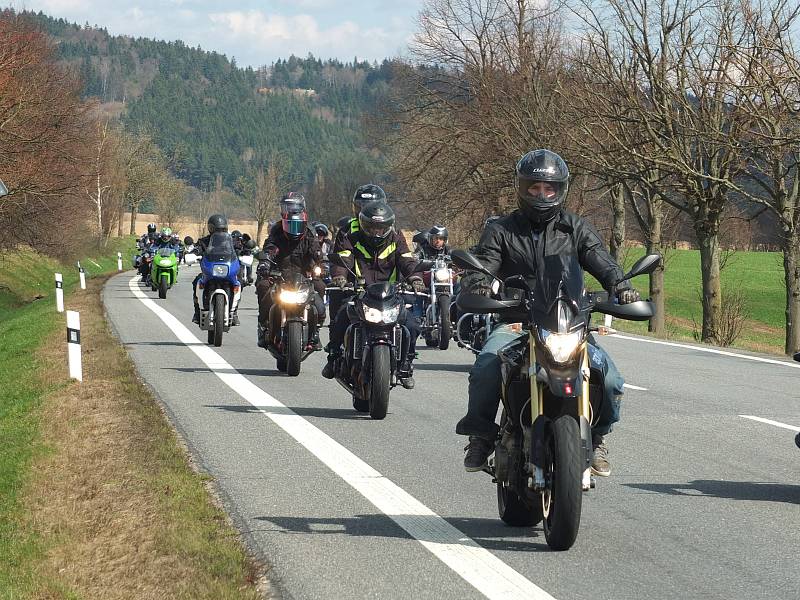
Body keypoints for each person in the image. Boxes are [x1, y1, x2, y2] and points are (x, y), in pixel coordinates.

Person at [457, 149, 640, 477]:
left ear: (560, 190)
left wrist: (620, 285)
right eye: (534, 188)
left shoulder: (575, 228)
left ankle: (596, 437)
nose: (542, 195)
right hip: (516, 320)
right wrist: (479, 284)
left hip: (567, 322)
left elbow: (600, 259)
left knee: (610, 378)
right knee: (486, 366)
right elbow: (484, 263)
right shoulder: (501, 230)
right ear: (522, 188)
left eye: (549, 188)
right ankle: (481, 436)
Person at [322, 200, 424, 389]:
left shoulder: (396, 237)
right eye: (371, 228)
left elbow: (407, 259)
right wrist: (340, 277)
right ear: (363, 224)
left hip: (390, 294)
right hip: (361, 292)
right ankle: (334, 355)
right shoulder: (351, 236)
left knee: (411, 324)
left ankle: (406, 364)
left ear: (388, 226)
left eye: (380, 228)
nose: (376, 232)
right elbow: (343, 258)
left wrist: (416, 278)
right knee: (343, 314)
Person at [255, 193, 325, 350]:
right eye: (288, 207)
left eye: (297, 226)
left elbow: (317, 251)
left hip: (304, 279)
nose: (294, 229)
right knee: (263, 286)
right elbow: (270, 248)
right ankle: (264, 327)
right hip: (280, 277)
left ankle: (315, 332)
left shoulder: (309, 233)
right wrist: (265, 263)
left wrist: (322, 265)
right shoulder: (277, 231)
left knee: (320, 290)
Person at [191, 214, 230, 324]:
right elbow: (197, 248)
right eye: (217, 229)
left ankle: (234, 311)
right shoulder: (204, 241)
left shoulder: (229, 241)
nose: (220, 231)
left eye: (222, 229)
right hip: (209, 271)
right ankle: (197, 313)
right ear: (211, 229)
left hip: (226, 270)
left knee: (239, 281)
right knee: (196, 282)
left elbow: (238, 249)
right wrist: (194, 253)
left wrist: (243, 253)